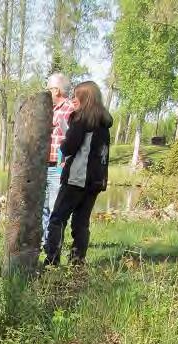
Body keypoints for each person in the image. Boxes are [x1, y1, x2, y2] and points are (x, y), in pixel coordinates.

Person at [44, 80, 113, 267]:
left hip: (77, 178)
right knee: (81, 223)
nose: (74, 100)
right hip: (96, 182)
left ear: (85, 99)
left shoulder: (82, 119)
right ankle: (77, 263)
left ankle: (51, 261)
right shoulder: (104, 124)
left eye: (77, 96)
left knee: (57, 218)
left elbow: (69, 147)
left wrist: (63, 145)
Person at [43, 73, 74, 245]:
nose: (47, 93)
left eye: (49, 89)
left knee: (56, 209)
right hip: (43, 166)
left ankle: (53, 247)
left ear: (56, 90)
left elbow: (73, 137)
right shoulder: (48, 108)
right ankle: (42, 242)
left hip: (58, 167)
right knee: (43, 208)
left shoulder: (70, 109)